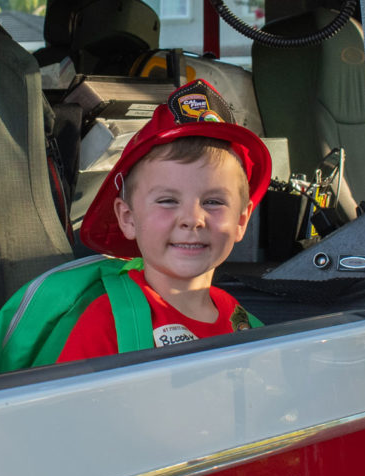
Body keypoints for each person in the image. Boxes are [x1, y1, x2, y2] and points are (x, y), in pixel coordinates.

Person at [57, 79, 272, 363]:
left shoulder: (242, 322)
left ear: (241, 220)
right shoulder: (106, 324)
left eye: (213, 202)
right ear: (128, 218)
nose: (192, 219)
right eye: (168, 201)